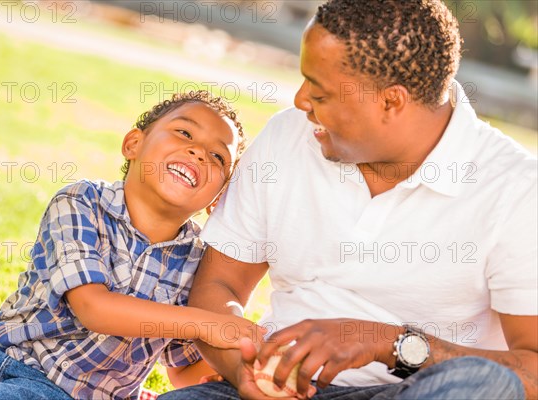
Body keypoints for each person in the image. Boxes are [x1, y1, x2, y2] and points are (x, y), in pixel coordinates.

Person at [159, 1, 537, 399]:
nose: (301, 100)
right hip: (280, 390)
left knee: (483, 386)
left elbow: (530, 371)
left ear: (390, 101)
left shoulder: (515, 189)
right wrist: (247, 371)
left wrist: (385, 342)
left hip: (414, 392)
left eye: (319, 92)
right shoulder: (288, 136)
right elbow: (219, 286)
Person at [0, 91, 267, 399]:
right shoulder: (81, 201)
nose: (198, 152)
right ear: (133, 144)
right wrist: (208, 323)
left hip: (63, 393)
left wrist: (234, 369)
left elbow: (181, 368)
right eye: (184, 133)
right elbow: (93, 307)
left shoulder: (197, 262)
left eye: (217, 156)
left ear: (219, 198)